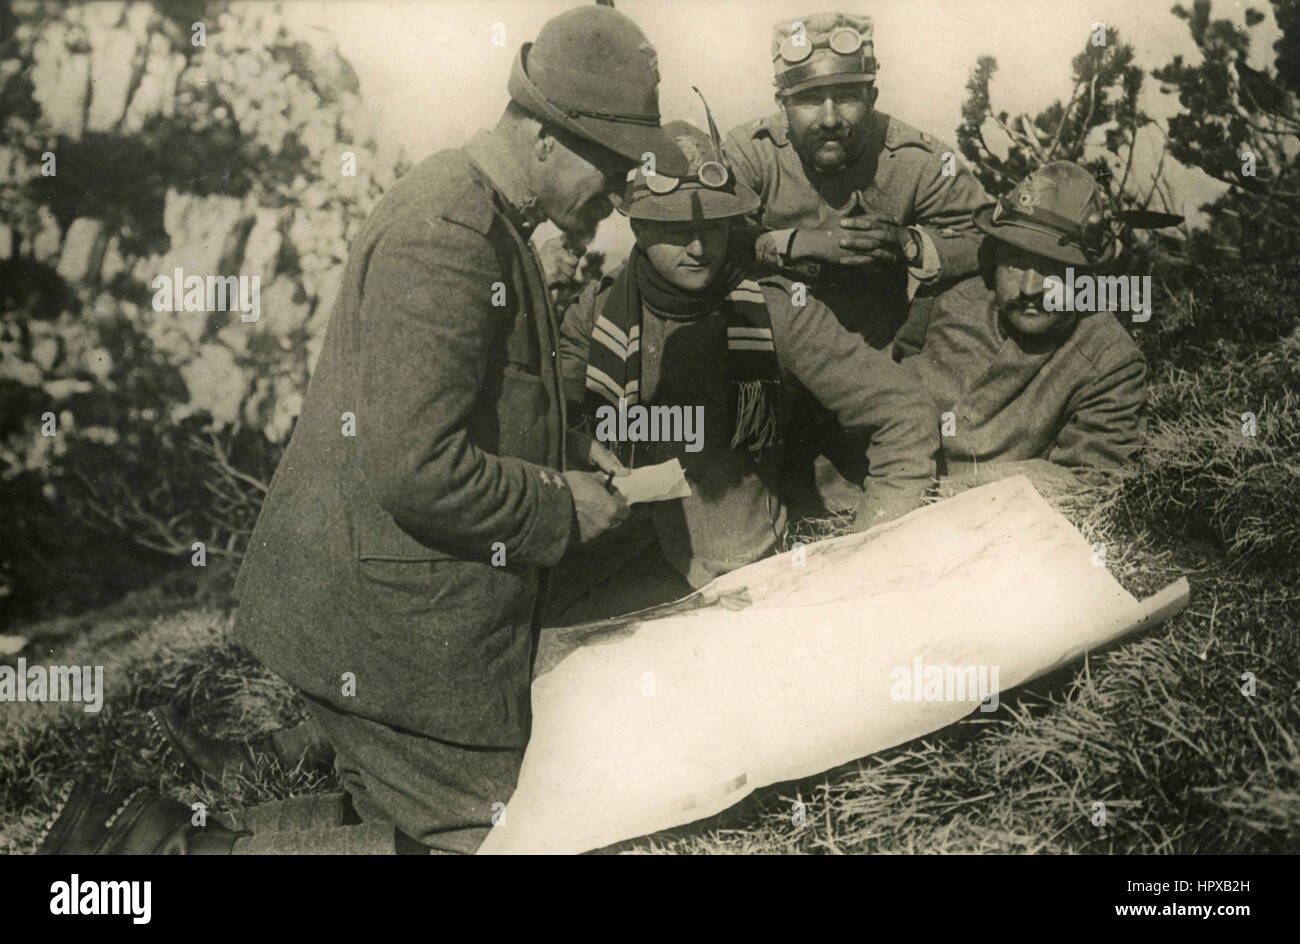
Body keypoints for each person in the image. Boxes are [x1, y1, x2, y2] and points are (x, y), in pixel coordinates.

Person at [40, 5, 686, 856]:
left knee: (450, 809)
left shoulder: (477, 210)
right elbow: (416, 466)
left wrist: (563, 456)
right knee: (501, 840)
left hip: (389, 597)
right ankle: (168, 857)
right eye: (608, 165)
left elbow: (458, 415)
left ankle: (144, 833)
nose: (614, 198)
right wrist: (562, 508)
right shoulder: (450, 233)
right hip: (389, 620)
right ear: (541, 138)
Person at [555, 118, 938, 596]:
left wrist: (866, 551)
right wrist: (576, 445)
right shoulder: (594, 312)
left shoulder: (773, 309)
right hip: (616, 566)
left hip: (745, 577)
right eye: (676, 227)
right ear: (638, 223)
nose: (698, 248)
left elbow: (905, 415)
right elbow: (552, 420)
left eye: (713, 226)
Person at [721, 12, 992, 516]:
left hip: (881, 367)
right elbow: (704, 242)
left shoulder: (918, 159)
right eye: (806, 99)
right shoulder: (749, 153)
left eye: (847, 95)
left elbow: (987, 237)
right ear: (781, 102)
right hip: (773, 371)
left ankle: (952, 449)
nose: (828, 118)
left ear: (872, 96)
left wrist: (911, 243)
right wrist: (795, 243)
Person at [892, 161, 1148, 489]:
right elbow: (894, 371)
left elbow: (1092, 479)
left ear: (1086, 277)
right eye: (1014, 263)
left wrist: (955, 488)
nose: (1029, 289)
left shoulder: (1110, 361)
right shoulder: (952, 297)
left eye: (1053, 269)